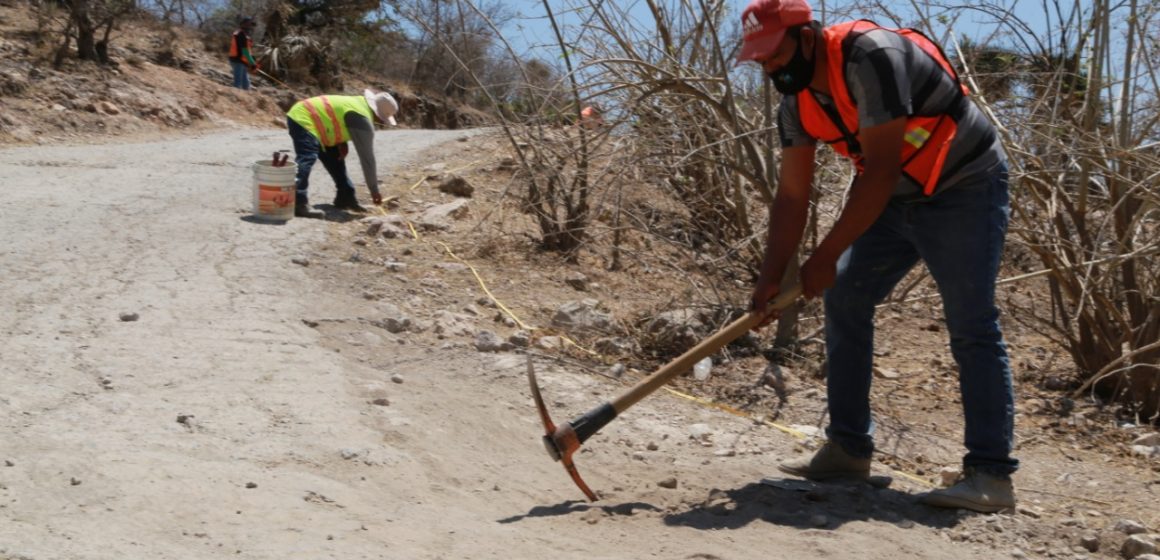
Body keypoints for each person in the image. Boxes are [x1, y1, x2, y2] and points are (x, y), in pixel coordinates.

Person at [737, 0, 1018, 513]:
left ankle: (991, 476)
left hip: (965, 188)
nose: (769, 67)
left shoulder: (872, 57)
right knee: (844, 294)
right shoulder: (794, 101)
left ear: (805, 35)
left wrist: (823, 255)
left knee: (971, 323)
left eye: (774, 54)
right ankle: (848, 449)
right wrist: (770, 278)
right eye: (759, 59)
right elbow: (792, 195)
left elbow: (882, 169)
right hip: (894, 199)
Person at [285, 89, 399, 219]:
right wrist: (374, 191)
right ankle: (298, 202)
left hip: (316, 122)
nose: (382, 123)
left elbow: (338, 116)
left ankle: (346, 197)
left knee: (335, 158)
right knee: (307, 157)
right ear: (378, 115)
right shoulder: (363, 121)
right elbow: (367, 160)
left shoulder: (359, 103)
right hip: (303, 117)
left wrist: (341, 142)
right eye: (383, 120)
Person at [228, 16, 258, 90]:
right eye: (249, 24)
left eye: (251, 25)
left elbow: (247, 50)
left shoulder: (245, 35)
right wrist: (252, 63)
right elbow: (244, 51)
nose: (250, 27)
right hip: (237, 60)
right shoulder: (241, 34)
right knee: (238, 83)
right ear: (243, 24)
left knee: (246, 84)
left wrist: (252, 60)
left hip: (241, 61)